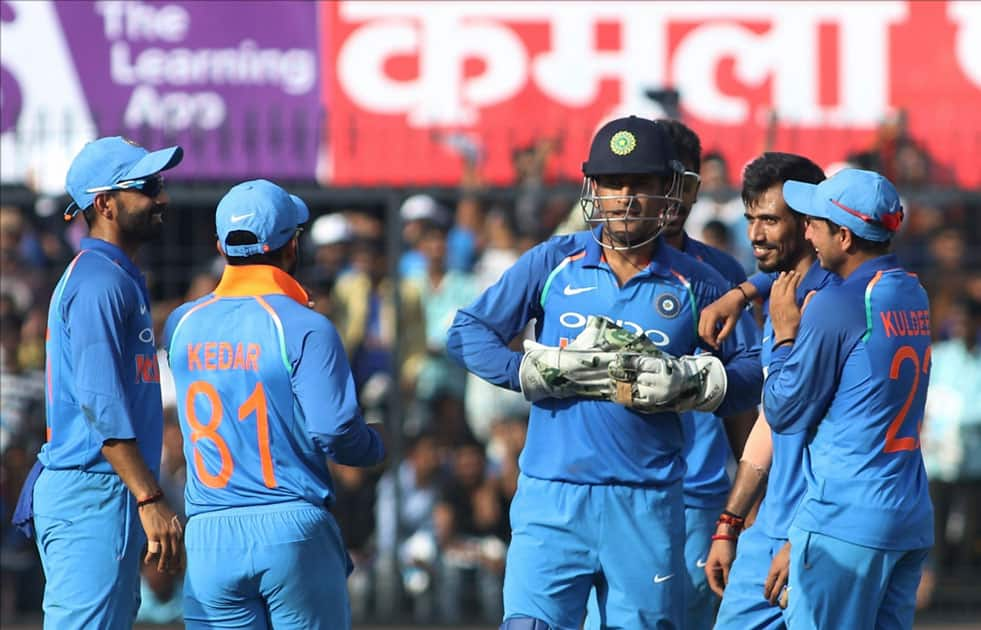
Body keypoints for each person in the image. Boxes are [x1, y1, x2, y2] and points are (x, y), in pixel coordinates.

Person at [446, 116, 762, 629]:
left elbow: (753, 369)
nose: (626, 198)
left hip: (647, 501)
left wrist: (697, 384)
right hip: (551, 494)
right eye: (613, 183)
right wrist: (526, 370)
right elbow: (466, 332)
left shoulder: (700, 283)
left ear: (667, 190)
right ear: (594, 188)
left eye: (640, 184)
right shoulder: (554, 262)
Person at [162, 179, 386, 629]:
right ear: (292, 246)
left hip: (207, 535)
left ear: (220, 246)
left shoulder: (180, 324)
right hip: (290, 526)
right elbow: (337, 432)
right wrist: (375, 447)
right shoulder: (305, 326)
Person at [13, 136, 186, 629]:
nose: (162, 198)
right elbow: (101, 408)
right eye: (147, 186)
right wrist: (150, 497)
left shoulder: (114, 276)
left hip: (105, 488)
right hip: (92, 489)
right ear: (105, 203)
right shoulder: (98, 281)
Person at [763, 168, 933, 628]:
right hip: (906, 514)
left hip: (845, 520)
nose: (805, 231)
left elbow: (783, 410)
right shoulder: (912, 291)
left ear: (844, 235)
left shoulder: (837, 304)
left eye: (815, 222)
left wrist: (783, 337)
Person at [699, 153, 833, 629]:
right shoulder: (780, 291)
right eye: (751, 218)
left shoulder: (829, 305)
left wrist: (782, 335)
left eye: (771, 220)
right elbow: (770, 426)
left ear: (810, 222)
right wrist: (730, 523)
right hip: (768, 528)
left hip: (821, 532)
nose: (755, 234)